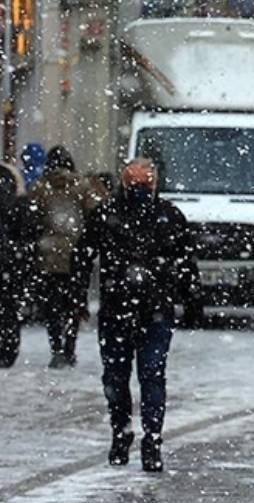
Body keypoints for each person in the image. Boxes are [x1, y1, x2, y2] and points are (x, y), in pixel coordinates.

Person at [82, 159, 198, 472]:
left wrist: (188, 297)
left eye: (145, 184)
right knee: (120, 378)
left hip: (151, 310)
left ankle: (150, 439)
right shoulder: (108, 215)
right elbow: (83, 256)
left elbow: (186, 262)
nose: (140, 190)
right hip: (121, 310)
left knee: (149, 375)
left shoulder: (168, 217)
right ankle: (123, 433)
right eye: (136, 183)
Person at [29, 146, 100, 367]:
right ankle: (70, 346)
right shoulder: (82, 187)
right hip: (76, 254)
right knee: (74, 303)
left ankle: (56, 347)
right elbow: (95, 214)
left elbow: (33, 218)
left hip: (48, 255)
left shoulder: (41, 188)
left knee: (52, 305)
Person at [0, 163, 36, 367]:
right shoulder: (20, 204)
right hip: (11, 264)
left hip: (10, 261)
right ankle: (7, 349)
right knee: (9, 309)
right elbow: (29, 234)